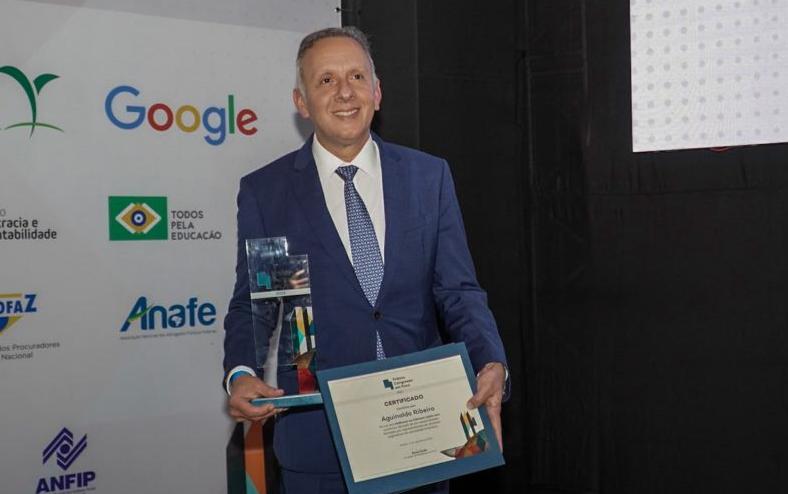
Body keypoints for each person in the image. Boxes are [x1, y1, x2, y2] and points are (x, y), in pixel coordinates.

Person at [223, 26, 508, 494]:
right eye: (326, 80)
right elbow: (258, 304)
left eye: (356, 76)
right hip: (320, 446)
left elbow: (458, 292)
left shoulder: (428, 178)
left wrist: (491, 360)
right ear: (301, 102)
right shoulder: (269, 194)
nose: (344, 92)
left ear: (376, 92)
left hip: (425, 436)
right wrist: (241, 372)